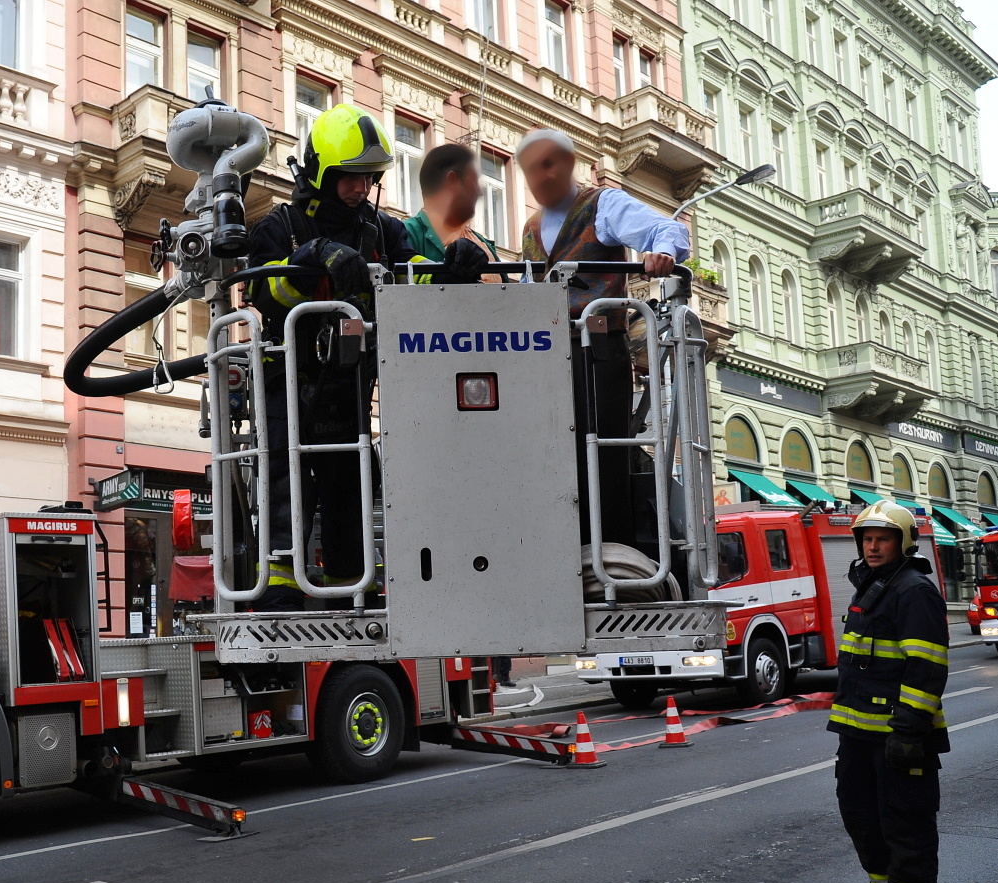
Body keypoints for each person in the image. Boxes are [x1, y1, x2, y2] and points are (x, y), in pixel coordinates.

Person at [247, 106, 486, 610]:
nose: (360, 189)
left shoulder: (382, 232)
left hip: (348, 377)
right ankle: (281, 581)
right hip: (285, 376)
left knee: (350, 477)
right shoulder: (280, 226)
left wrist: (453, 265)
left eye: (368, 179)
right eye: (349, 179)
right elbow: (265, 291)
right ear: (320, 173)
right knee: (284, 471)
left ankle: (350, 583)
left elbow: (411, 275)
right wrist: (311, 257)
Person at [515, 129, 690, 549]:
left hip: (597, 350)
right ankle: (558, 549)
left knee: (601, 457)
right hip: (545, 353)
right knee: (550, 456)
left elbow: (669, 230)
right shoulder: (531, 225)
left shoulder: (602, 203)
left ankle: (608, 556)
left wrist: (660, 252)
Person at [827, 501, 949, 883]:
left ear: (903, 542)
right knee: (860, 814)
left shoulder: (912, 590)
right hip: (858, 733)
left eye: (883, 538)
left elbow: (927, 667)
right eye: (867, 539)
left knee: (905, 822)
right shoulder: (872, 584)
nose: (873, 546)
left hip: (900, 735)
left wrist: (908, 731)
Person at [402, 144, 499, 264]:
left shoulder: (485, 245)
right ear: (453, 181)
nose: (479, 192)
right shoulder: (405, 235)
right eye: (473, 181)